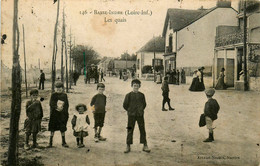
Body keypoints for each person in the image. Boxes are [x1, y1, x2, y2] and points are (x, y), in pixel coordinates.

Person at [123, 79, 151, 153]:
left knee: (142, 129)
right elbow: (125, 105)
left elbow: (144, 104)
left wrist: (140, 110)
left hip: (140, 115)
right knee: (130, 130)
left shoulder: (142, 95)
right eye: (134, 86)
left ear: (139, 86)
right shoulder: (128, 95)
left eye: (137, 86)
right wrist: (130, 111)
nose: (136, 87)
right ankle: (128, 145)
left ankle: (145, 145)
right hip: (131, 115)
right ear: (132, 86)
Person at [48, 82, 69, 148]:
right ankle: (50, 142)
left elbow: (66, 104)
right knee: (52, 128)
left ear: (63, 89)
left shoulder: (64, 95)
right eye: (57, 88)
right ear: (54, 89)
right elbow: (51, 103)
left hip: (62, 114)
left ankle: (63, 141)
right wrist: (56, 107)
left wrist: (63, 109)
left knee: (62, 127)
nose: (58, 89)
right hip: (54, 114)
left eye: (60, 88)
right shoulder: (53, 95)